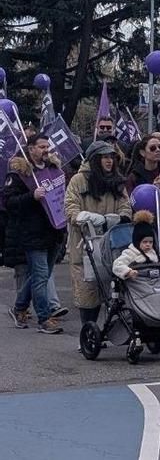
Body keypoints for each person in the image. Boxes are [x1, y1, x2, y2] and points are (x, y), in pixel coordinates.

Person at [5, 135, 67, 334]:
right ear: (30, 149)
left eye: (47, 146)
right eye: (41, 147)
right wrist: (31, 196)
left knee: (41, 275)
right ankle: (44, 318)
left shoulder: (53, 170)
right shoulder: (19, 174)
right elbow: (9, 202)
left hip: (54, 231)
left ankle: (20, 307)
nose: (46, 150)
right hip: (32, 233)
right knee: (40, 276)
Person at [65, 141, 132, 326]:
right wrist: (85, 217)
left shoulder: (117, 180)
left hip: (112, 244)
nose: (109, 161)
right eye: (105, 157)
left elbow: (126, 207)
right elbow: (70, 208)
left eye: (111, 157)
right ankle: (89, 331)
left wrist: (120, 218)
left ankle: (115, 330)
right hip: (85, 245)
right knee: (88, 290)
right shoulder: (78, 181)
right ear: (95, 159)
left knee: (116, 290)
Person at [112, 210, 160, 280]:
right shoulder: (130, 253)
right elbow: (118, 265)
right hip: (138, 283)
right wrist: (128, 272)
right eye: (145, 242)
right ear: (137, 242)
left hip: (156, 282)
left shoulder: (153, 253)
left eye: (151, 242)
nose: (148, 244)